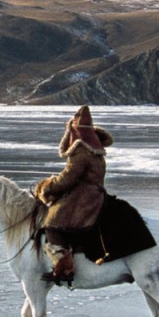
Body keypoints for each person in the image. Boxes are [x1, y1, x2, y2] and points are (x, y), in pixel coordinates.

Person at [34, 105, 113, 285]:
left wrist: (46, 187)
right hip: (97, 194)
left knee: (52, 223)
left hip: (84, 198)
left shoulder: (81, 152)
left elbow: (67, 179)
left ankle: (65, 268)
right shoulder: (96, 150)